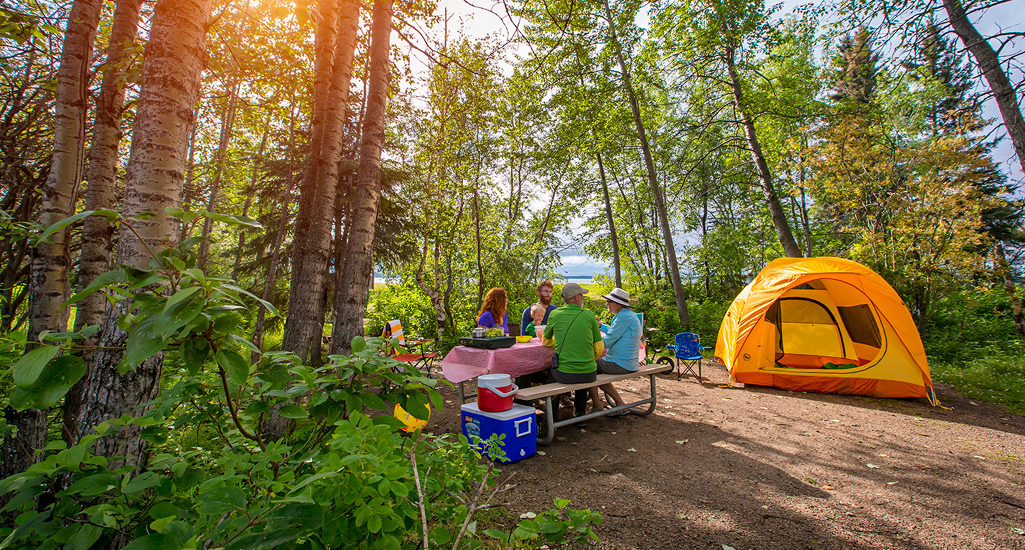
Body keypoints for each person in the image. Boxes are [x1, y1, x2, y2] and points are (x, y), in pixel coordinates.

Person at [541, 283, 604, 417]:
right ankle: (579, 414)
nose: (583, 297)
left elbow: (545, 341)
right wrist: (588, 359)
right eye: (582, 295)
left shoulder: (555, 314)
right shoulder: (589, 315)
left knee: (549, 378)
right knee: (582, 374)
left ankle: (552, 418)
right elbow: (599, 347)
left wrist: (558, 343)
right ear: (576, 297)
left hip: (565, 374)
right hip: (589, 373)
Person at [596, 287, 641, 416]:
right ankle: (617, 403)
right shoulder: (626, 315)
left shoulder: (623, 317)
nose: (607, 304)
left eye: (609, 301)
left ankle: (597, 403)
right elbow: (614, 331)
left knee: (587, 366)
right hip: (628, 362)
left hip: (620, 363)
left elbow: (608, 341)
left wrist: (589, 342)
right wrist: (600, 326)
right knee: (592, 366)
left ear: (618, 304)